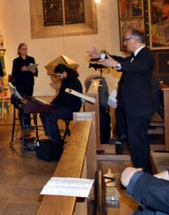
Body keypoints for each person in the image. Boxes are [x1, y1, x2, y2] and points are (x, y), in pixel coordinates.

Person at [88, 29, 154, 173]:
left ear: (136, 40)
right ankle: (140, 174)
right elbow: (121, 59)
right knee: (135, 144)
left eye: (126, 40)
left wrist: (116, 65)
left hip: (139, 108)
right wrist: (102, 55)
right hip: (133, 108)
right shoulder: (134, 56)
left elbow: (135, 66)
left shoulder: (146, 56)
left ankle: (143, 177)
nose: (124, 43)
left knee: (138, 144)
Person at [39, 64, 83, 142]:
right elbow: (61, 96)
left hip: (72, 108)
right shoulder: (66, 80)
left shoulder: (72, 81)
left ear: (64, 72)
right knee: (43, 113)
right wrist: (52, 104)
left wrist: (54, 105)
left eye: (59, 76)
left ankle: (56, 141)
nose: (59, 78)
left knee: (52, 116)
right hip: (65, 105)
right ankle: (50, 136)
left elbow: (68, 99)